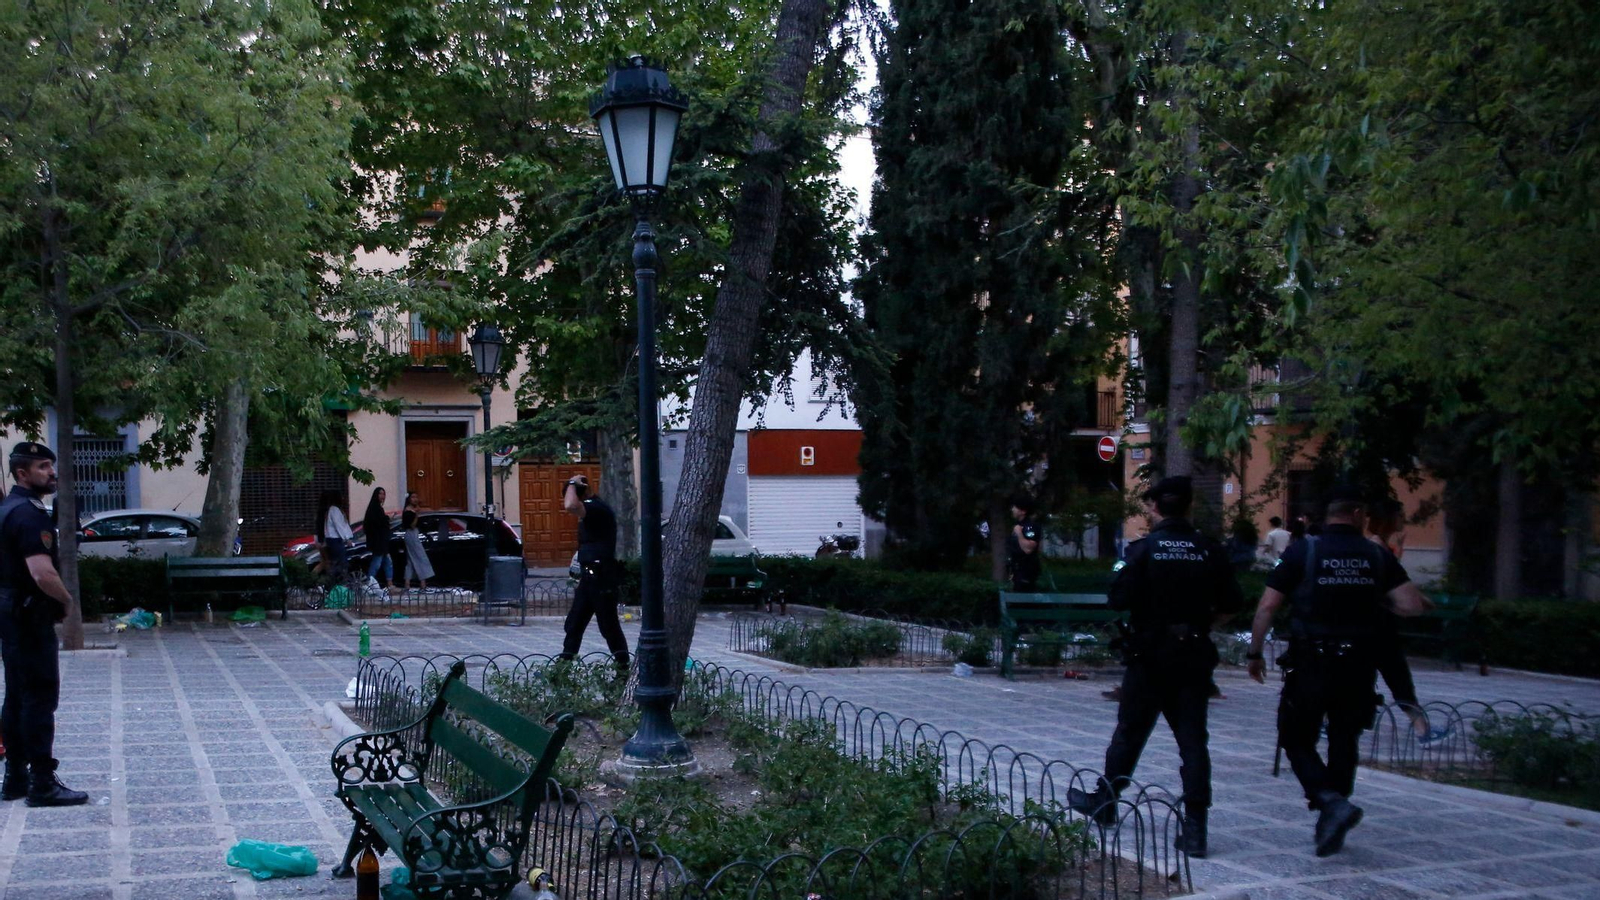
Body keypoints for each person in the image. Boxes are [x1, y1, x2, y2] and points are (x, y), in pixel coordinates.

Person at [1245, 487, 1429, 857]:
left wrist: (1255, 652)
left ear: (1328, 517)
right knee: (1345, 740)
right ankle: (1333, 811)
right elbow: (1410, 605)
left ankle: (1329, 802)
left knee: (1296, 738)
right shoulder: (1376, 555)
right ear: (1358, 514)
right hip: (1359, 665)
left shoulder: (1304, 551)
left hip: (1313, 663)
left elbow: (1267, 606)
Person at [1068, 476, 1244, 857]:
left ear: (1154, 508)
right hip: (1194, 654)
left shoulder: (1144, 550)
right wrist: (1201, 625)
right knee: (1193, 742)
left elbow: (1117, 599)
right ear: (1189, 507)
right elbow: (1233, 602)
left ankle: (1107, 801)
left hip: (1150, 656)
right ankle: (1196, 827)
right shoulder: (1209, 550)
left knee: (1130, 732)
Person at [0, 442, 88, 806]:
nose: (51, 472)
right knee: (39, 696)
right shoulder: (29, 514)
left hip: (10, 612)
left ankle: (15, 778)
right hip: (29, 614)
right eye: (42, 467)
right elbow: (41, 572)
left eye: (51, 465)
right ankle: (41, 782)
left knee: (17, 695)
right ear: (22, 474)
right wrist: (66, 600)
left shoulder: (7, 508)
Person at [1366, 499, 1444, 745]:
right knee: (1396, 676)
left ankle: (1422, 728)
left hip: (1373, 627)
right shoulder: (1375, 549)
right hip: (1379, 627)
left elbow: (1394, 582)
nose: (1403, 519)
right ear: (1387, 519)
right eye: (1399, 515)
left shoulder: (1377, 549)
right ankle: (1422, 730)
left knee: (1382, 677)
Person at [559, 475, 629, 672]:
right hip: (589, 576)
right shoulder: (590, 511)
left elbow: (571, 505)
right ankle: (562, 670)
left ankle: (623, 669)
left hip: (602, 576)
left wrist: (572, 483)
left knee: (609, 626)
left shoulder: (596, 508)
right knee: (574, 624)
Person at [1006, 493, 1042, 592]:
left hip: (1026, 571)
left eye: (1015, 507)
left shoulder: (1030, 527)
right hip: (1015, 570)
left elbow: (1028, 549)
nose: (1012, 509)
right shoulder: (1017, 525)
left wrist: (1019, 534)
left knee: (1023, 599)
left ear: (1023, 511)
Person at [399, 492, 433, 591]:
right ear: (409, 499)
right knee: (420, 557)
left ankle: (407, 583)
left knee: (411, 560)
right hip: (411, 535)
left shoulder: (412, 510)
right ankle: (423, 583)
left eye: (416, 497)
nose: (415, 499)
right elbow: (412, 525)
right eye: (413, 497)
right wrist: (417, 515)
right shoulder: (408, 512)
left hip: (412, 535)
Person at [362, 487, 394, 589]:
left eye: (383, 494)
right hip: (378, 542)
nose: (382, 496)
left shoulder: (377, 508)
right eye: (380, 494)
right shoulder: (375, 508)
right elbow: (376, 524)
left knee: (387, 562)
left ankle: (389, 584)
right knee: (377, 563)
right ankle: (369, 583)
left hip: (382, 542)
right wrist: (387, 519)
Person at [318, 490, 354, 579]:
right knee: (341, 562)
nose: (343, 499)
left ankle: (333, 581)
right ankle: (338, 582)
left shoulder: (334, 509)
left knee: (336, 562)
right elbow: (339, 525)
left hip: (333, 540)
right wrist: (347, 538)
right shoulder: (334, 510)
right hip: (335, 539)